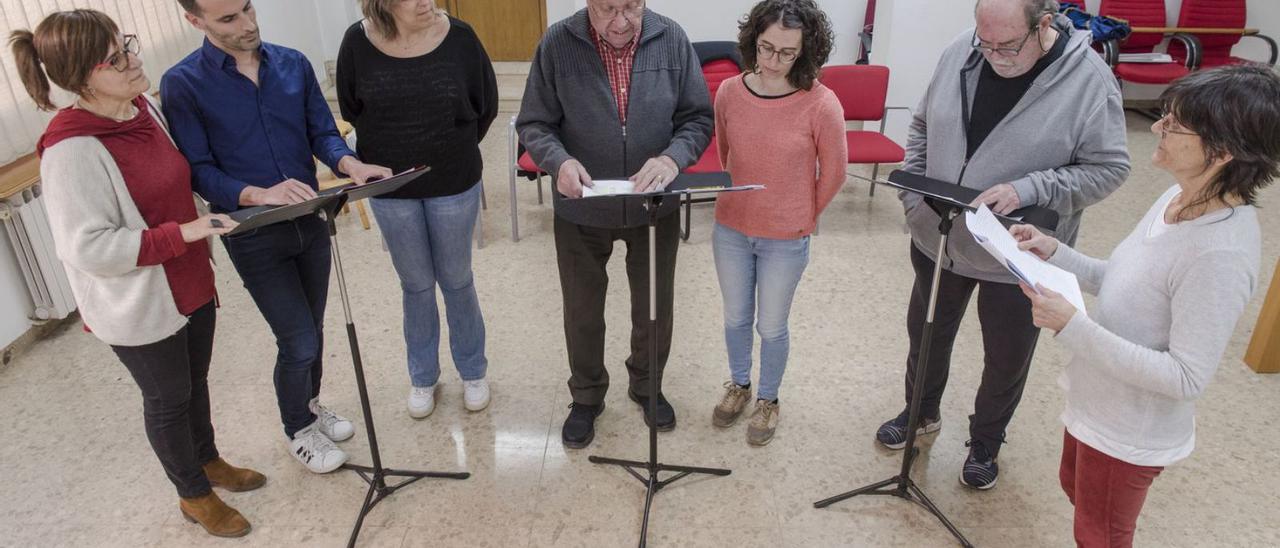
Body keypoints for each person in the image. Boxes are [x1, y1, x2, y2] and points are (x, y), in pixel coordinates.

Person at [14, 9, 264, 537]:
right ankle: (192, 495)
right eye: (115, 58)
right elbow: (86, 247)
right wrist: (184, 234)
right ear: (82, 77)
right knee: (168, 398)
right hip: (140, 303)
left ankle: (208, 461)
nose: (133, 60)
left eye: (127, 45)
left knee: (195, 383)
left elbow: (175, 182)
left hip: (189, 282)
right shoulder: (72, 149)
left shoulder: (142, 110)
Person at [1013, 64, 1277, 548]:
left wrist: (1074, 326)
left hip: (1128, 429)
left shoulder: (1220, 254)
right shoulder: (1177, 197)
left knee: (1102, 534)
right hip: (1097, 400)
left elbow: (1185, 377)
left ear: (1221, 153)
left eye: (1174, 125)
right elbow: (1123, 279)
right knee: (1077, 495)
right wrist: (1055, 252)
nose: (1156, 128)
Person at [875, 0, 1130, 490]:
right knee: (926, 332)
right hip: (941, 236)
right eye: (984, 42)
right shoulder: (960, 52)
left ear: (1046, 24)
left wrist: (1028, 188)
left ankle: (987, 442)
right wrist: (915, 197)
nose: (994, 55)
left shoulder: (1089, 80)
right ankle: (920, 412)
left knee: (1006, 355)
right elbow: (923, 125)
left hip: (1020, 250)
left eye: (1008, 45)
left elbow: (1110, 168)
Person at [162, 0, 392, 474]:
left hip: (309, 218)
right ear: (195, 21)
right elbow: (200, 171)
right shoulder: (183, 84)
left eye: (247, 9)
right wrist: (258, 194)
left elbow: (321, 133)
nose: (247, 24)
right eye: (228, 19)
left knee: (314, 326)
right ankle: (297, 429)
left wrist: (350, 164)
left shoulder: (292, 63)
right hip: (252, 232)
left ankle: (309, 405)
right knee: (298, 340)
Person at [517, 0, 713, 449]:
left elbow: (697, 118)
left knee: (654, 307)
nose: (622, 20)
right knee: (583, 311)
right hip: (581, 207)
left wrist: (672, 158)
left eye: (633, 6)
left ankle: (647, 385)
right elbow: (534, 122)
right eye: (608, 8)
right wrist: (558, 161)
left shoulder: (672, 39)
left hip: (652, 207)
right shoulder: (557, 44)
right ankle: (586, 396)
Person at [337, 0, 498, 419]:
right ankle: (423, 376)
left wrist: (450, 149)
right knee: (416, 285)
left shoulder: (460, 37)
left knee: (457, 279)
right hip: (390, 189)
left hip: (454, 180)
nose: (428, 1)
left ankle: (473, 371)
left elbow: (486, 105)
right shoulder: (357, 41)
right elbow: (352, 108)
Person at [708, 0, 845, 446]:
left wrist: (804, 215)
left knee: (771, 325)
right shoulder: (729, 92)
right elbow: (728, 152)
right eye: (766, 48)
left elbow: (835, 172)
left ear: (805, 53)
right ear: (752, 42)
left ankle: (768, 398)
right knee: (734, 318)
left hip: (785, 236)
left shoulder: (822, 103)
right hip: (731, 228)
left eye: (787, 53)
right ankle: (739, 385)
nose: (772, 62)